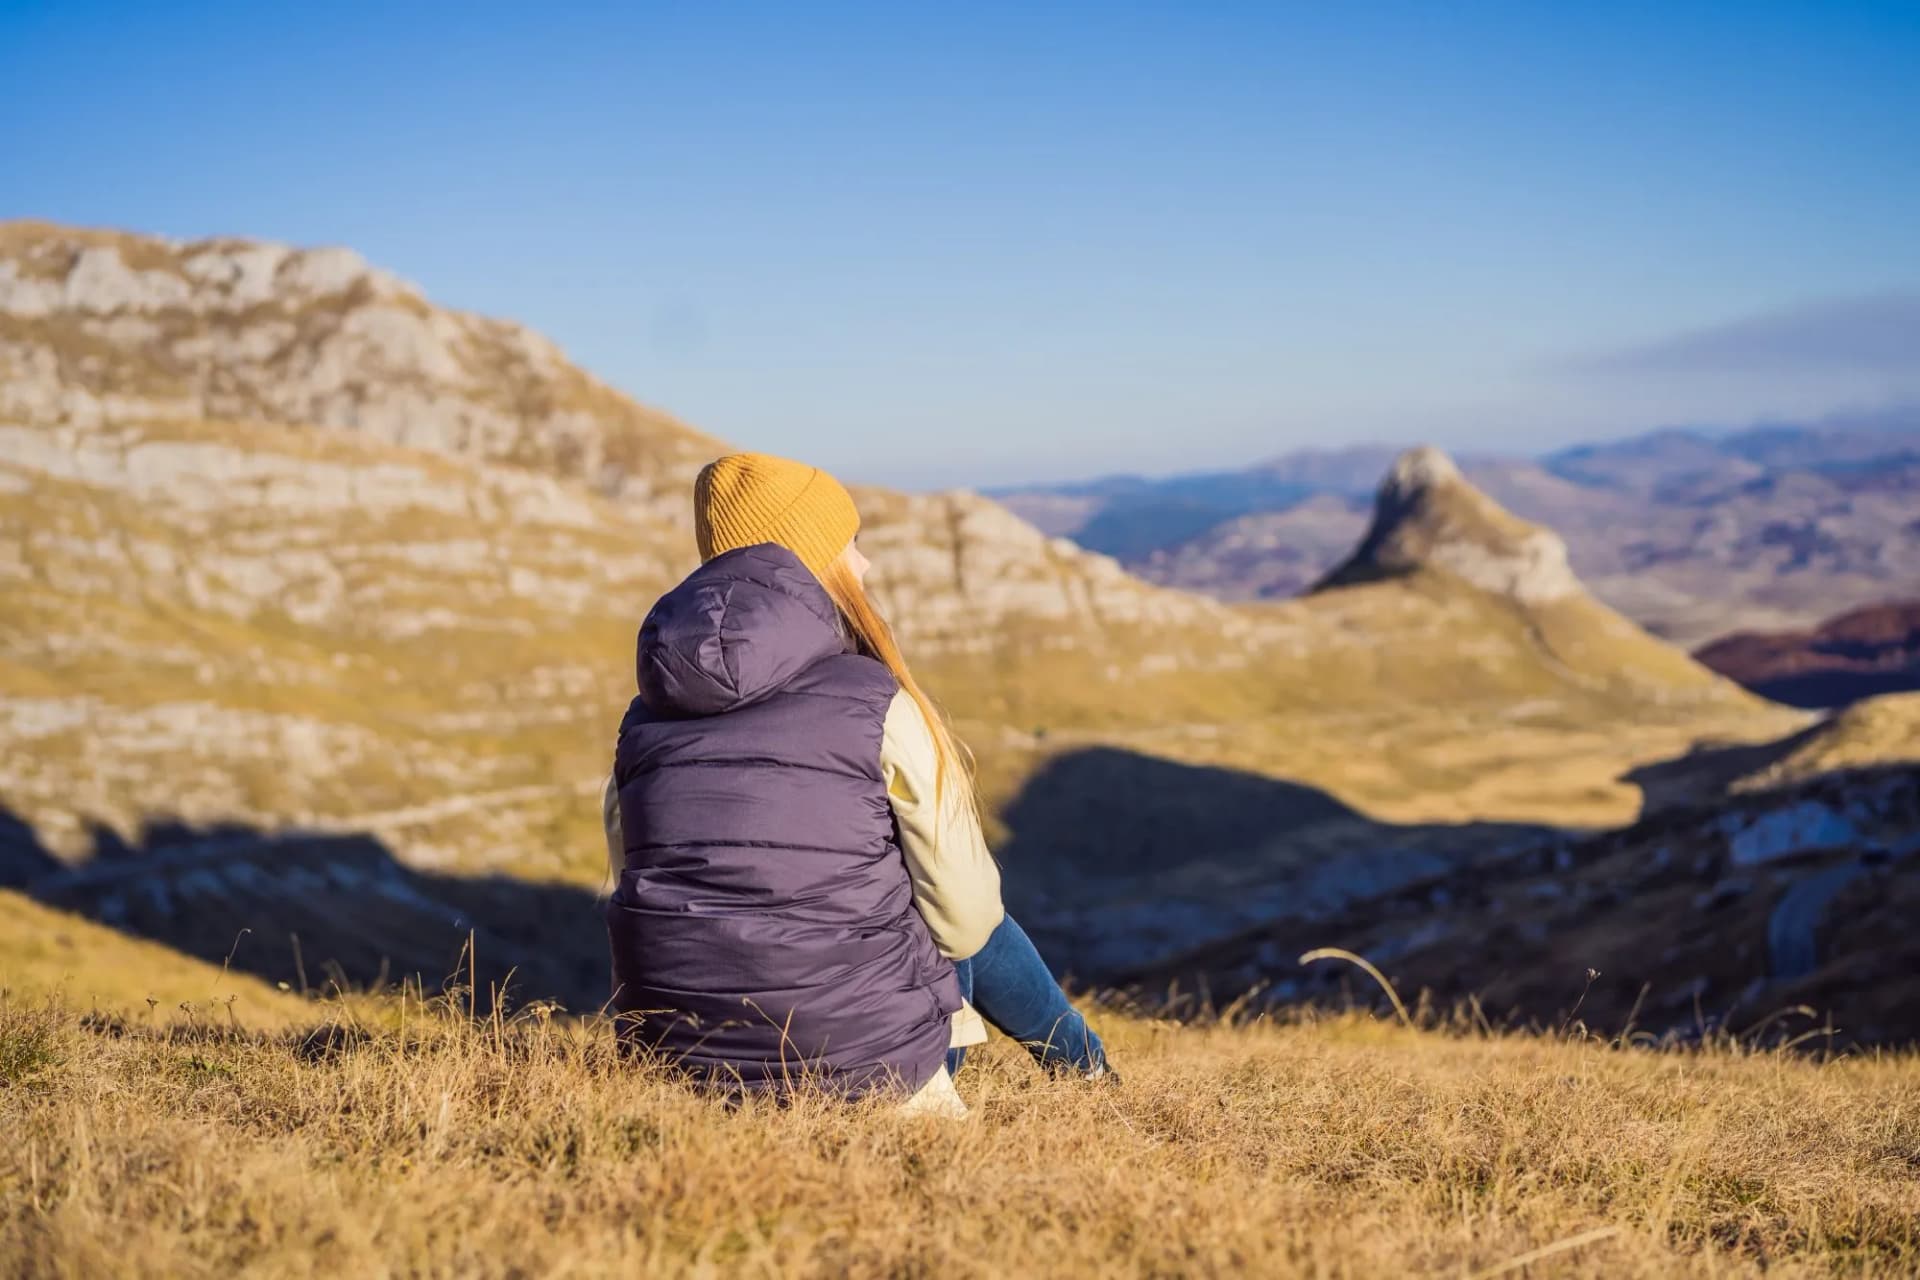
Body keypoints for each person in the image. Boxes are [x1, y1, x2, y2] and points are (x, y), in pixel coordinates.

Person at [601, 452, 1110, 1112]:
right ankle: (1092, 1077)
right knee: (961, 912)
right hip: (869, 1081)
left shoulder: (642, 718)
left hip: (681, 1076)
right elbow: (966, 919)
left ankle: (1088, 1074)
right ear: (813, 559)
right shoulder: (875, 701)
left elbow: (632, 888)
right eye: (851, 544)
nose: (864, 564)